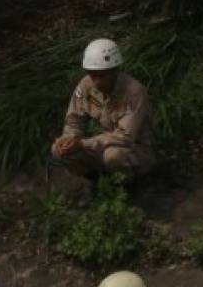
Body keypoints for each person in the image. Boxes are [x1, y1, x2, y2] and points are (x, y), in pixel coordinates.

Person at [50, 38, 155, 180]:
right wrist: (69, 138)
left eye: (102, 75)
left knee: (113, 156)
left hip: (135, 150)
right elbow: (74, 119)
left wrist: (82, 144)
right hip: (102, 145)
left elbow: (124, 138)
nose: (97, 82)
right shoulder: (85, 85)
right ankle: (93, 181)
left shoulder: (134, 92)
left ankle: (127, 187)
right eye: (93, 75)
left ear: (115, 70)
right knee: (58, 149)